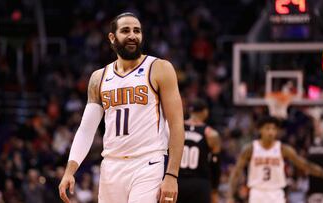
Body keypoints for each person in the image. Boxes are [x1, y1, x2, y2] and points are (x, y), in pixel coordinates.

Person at [58, 12, 185, 203]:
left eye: (137, 31)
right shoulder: (98, 78)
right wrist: (70, 170)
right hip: (111, 165)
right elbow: (86, 129)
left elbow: (176, 125)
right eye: (126, 30)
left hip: (148, 162)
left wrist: (172, 176)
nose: (133, 35)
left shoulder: (159, 68)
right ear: (112, 37)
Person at [227, 116, 323, 203]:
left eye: (273, 129)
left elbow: (306, 166)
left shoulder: (283, 149)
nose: (271, 132)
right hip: (257, 193)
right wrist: (230, 195)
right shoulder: (251, 149)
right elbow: (236, 172)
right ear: (260, 130)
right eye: (267, 128)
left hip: (276, 193)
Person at [177, 99, 221, 203]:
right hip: (200, 183)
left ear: (190, 111)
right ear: (205, 112)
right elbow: (216, 164)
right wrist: (214, 189)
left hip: (178, 181)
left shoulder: (177, 128)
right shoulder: (211, 134)